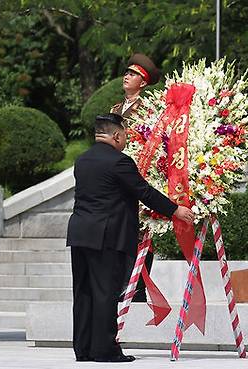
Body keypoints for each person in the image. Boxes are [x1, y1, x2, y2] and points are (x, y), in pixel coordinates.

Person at [66, 113, 193, 362]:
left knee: (84, 292)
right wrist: (175, 210)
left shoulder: (82, 160)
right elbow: (143, 191)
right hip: (106, 235)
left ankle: (84, 348)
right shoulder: (119, 162)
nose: (125, 140)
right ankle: (104, 350)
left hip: (80, 233)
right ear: (116, 135)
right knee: (105, 292)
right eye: (124, 135)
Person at [111, 53, 161, 302]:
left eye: (133, 74)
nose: (126, 76)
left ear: (143, 82)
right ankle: (122, 281)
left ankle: (138, 286)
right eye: (127, 72)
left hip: (139, 175)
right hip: (117, 179)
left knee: (141, 230)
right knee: (119, 230)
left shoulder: (149, 109)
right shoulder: (115, 109)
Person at [110, 53, 160, 120]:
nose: (126, 77)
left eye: (131, 75)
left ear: (142, 83)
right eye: (126, 74)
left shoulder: (146, 109)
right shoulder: (115, 109)